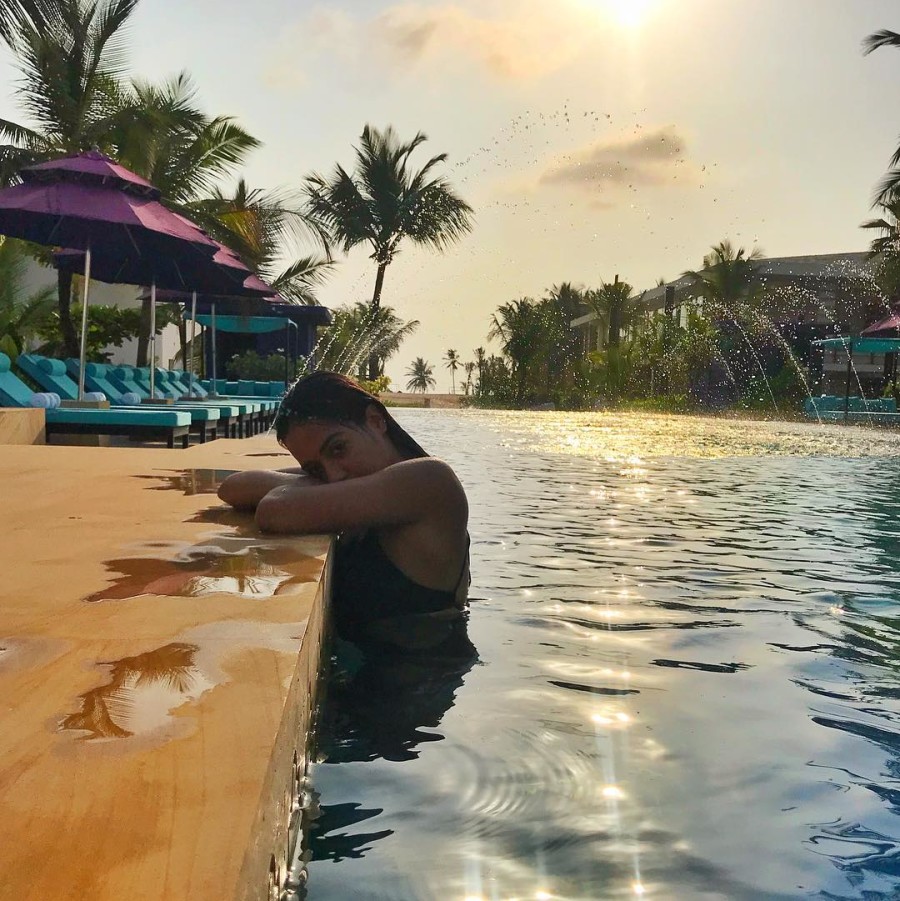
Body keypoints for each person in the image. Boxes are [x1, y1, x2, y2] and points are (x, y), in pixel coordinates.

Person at [217, 372, 473, 658]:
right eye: (315, 468)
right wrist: (313, 481)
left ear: (376, 420)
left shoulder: (430, 480)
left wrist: (310, 486)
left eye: (338, 449)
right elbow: (233, 487)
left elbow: (273, 509)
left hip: (415, 687)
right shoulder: (362, 485)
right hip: (372, 675)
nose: (334, 476)